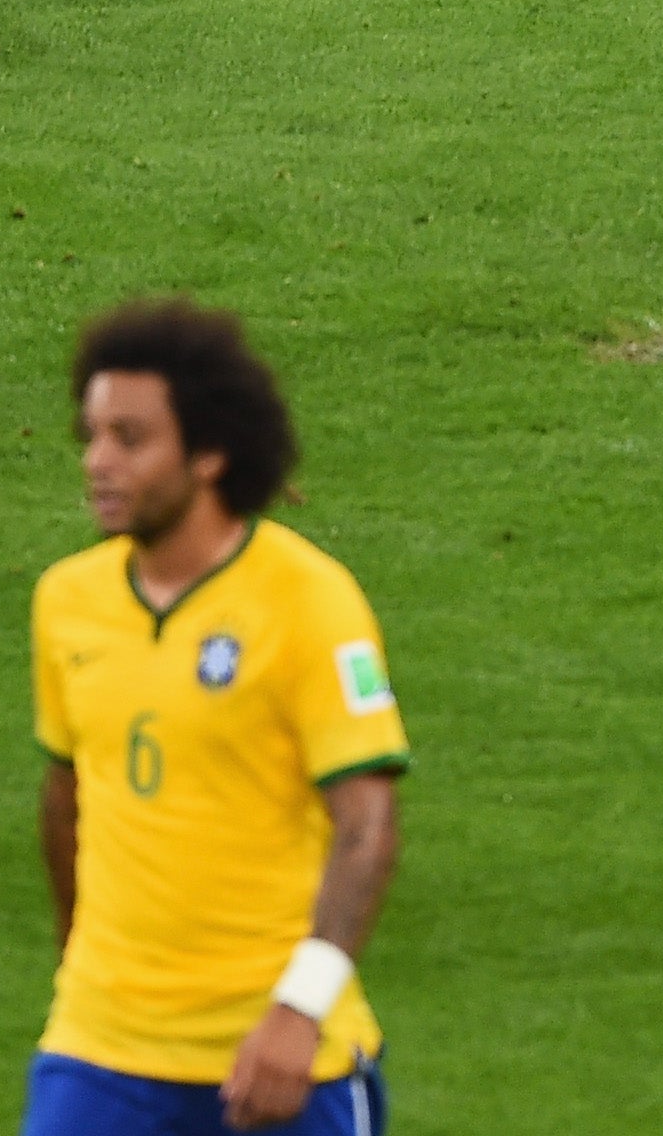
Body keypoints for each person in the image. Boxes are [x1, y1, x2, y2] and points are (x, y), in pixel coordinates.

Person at [28, 302, 406, 1136]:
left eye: (131, 439)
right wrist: (85, 970)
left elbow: (367, 828)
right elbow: (67, 801)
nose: (98, 462)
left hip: (278, 1054)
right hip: (101, 1053)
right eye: (92, 435)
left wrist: (298, 1012)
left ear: (209, 453)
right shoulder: (68, 602)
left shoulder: (310, 603)